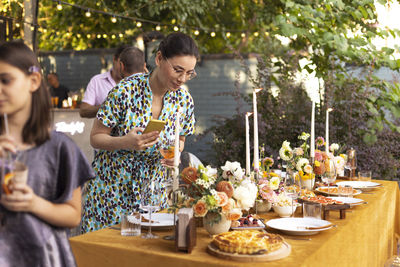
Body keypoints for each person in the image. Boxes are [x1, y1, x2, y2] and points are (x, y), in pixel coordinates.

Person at [81, 32, 198, 233]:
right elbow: (95, 137)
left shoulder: (184, 101)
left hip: (153, 196)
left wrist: (176, 153)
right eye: (178, 70)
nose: (182, 78)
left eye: (189, 73)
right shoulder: (125, 91)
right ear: (159, 58)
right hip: (111, 193)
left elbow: (180, 139)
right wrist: (125, 142)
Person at [0, 41, 94, 266]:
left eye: (5, 80)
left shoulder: (60, 148)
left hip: (43, 257)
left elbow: (73, 216)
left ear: (33, 81)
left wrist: (32, 203)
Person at [79, 44, 128, 118]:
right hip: (102, 129)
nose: (123, 68)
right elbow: (83, 111)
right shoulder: (97, 81)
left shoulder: (136, 83)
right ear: (114, 59)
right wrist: (107, 106)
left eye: (128, 65)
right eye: (121, 63)